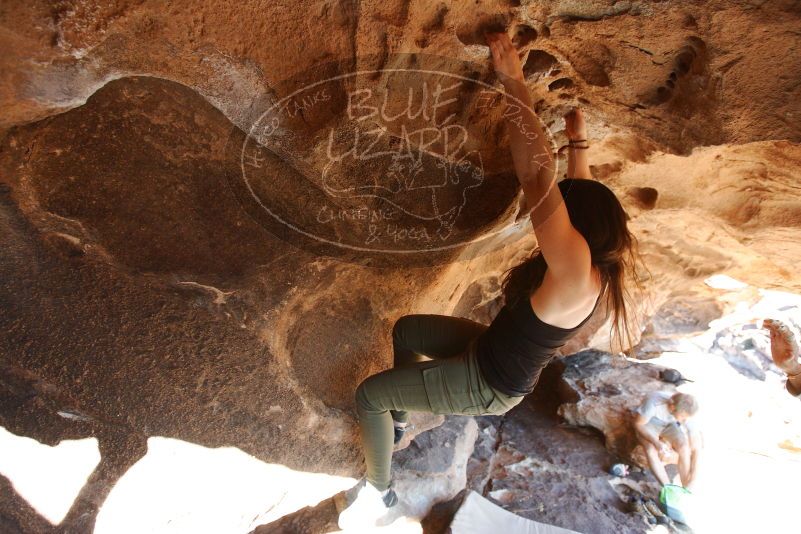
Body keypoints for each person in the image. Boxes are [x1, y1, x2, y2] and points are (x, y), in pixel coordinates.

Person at [336, 32, 642, 529]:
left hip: (488, 384)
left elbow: (539, 180)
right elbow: (573, 193)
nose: (560, 211)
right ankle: (395, 424)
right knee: (408, 330)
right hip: (490, 350)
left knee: (370, 393)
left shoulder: (576, 271)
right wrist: (576, 141)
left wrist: (513, 82)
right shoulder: (597, 265)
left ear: (580, 228)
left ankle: (379, 492)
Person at [633, 391, 702, 491]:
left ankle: (686, 488)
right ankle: (668, 489)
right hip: (650, 422)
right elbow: (638, 424)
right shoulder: (653, 403)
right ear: (673, 407)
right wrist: (656, 442)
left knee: (684, 447)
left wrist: (693, 479)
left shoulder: (685, 413)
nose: (684, 420)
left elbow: (696, 449)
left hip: (669, 424)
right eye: (682, 416)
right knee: (651, 450)